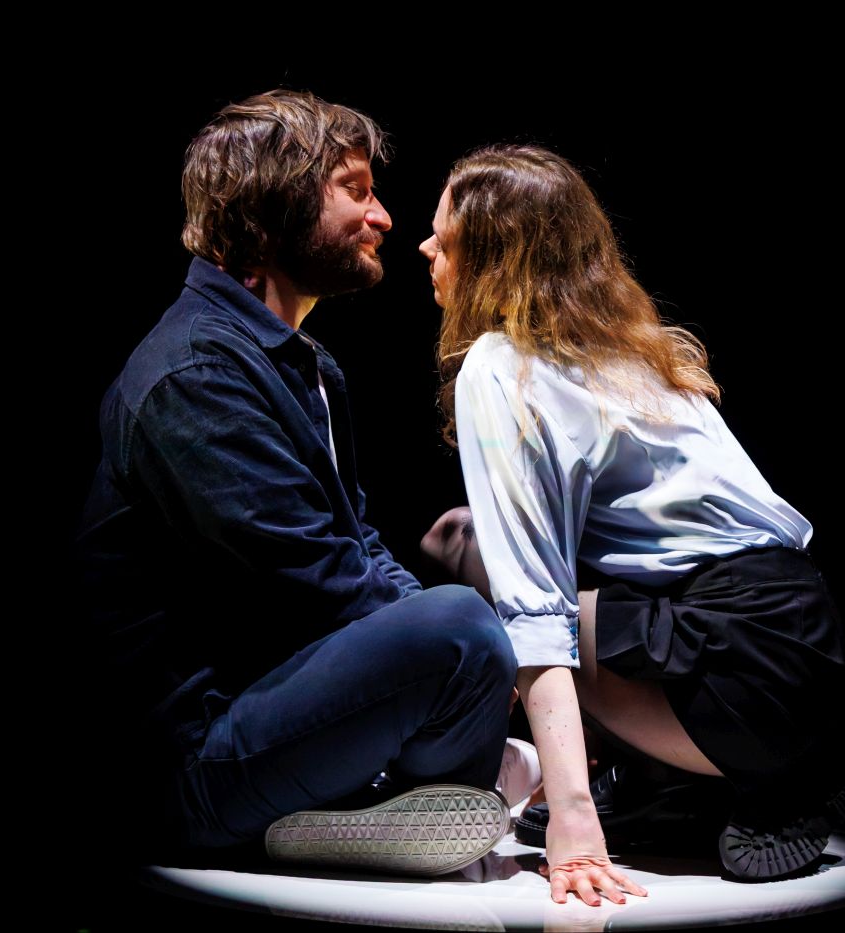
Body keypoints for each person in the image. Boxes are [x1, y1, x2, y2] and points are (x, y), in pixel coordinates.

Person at [73, 89, 519, 877]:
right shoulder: (194, 373)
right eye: (356, 191)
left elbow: (357, 544)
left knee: (470, 625)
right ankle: (363, 805)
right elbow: (311, 582)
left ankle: (384, 801)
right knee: (461, 629)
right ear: (275, 203)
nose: (383, 217)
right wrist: (482, 652)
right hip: (199, 765)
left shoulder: (302, 365)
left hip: (268, 724)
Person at [418, 145, 845, 905]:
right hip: (812, 659)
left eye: (445, 237)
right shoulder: (635, 351)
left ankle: (644, 781)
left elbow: (535, 606)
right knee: (474, 538)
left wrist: (574, 826)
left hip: (737, 675)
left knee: (466, 554)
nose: (425, 247)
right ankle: (682, 781)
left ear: (492, 258)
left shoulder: (501, 364)